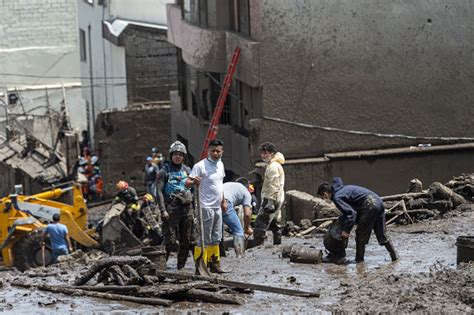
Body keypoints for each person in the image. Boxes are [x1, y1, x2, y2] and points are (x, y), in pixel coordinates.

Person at [317, 177, 398, 263]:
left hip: (369, 205)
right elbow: (352, 211)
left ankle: (359, 261)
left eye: (323, 197)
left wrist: (346, 231)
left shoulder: (337, 197)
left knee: (360, 234)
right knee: (381, 234)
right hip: (378, 201)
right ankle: (394, 256)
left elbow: (351, 214)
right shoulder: (343, 190)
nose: (324, 199)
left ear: (325, 194)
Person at [186, 139, 226, 273]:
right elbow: (187, 182)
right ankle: (200, 267)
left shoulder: (221, 165)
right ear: (208, 151)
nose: (215, 153)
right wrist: (193, 181)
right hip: (204, 207)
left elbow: (220, 185)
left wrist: (224, 201)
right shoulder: (200, 166)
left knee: (216, 237)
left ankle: (214, 265)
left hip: (217, 207)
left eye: (218, 151)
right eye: (213, 151)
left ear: (222, 152)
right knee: (203, 238)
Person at [156, 141, 194, 270]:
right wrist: (162, 210)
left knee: (186, 239)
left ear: (184, 156)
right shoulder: (163, 171)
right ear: (171, 155)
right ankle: (160, 266)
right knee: (169, 240)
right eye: (175, 154)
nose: (178, 157)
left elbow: (194, 189)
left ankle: (180, 267)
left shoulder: (188, 170)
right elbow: (159, 192)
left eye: (180, 154)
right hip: (171, 208)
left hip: (187, 208)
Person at [253, 142, 285, 246]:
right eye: (262, 153)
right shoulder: (275, 165)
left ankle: (257, 247)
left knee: (260, 224)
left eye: (265, 153)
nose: (263, 155)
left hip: (271, 199)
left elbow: (273, 185)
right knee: (275, 223)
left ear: (272, 153)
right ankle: (277, 244)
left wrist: (270, 201)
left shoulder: (273, 167)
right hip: (278, 198)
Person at [223, 178, 254, 257]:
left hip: (211, 202)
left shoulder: (228, 184)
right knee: (238, 231)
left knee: (218, 233)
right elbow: (247, 214)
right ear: (247, 186)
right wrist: (246, 228)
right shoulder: (246, 192)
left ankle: (220, 255)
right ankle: (240, 256)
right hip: (225, 203)